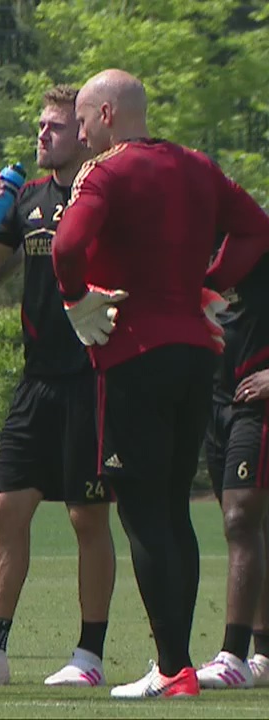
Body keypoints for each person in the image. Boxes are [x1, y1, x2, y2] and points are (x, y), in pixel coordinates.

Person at [50, 68, 269, 699]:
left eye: (84, 120)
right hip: (197, 354)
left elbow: (67, 246)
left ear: (109, 114)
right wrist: (210, 283)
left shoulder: (107, 172)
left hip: (133, 356)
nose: (82, 134)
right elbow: (257, 228)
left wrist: (74, 299)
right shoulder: (199, 165)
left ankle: (172, 668)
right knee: (174, 509)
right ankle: (178, 664)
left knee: (143, 512)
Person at [0, 84, 117, 687]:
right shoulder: (25, 197)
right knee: (5, 509)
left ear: (82, 134)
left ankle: (89, 655)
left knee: (87, 517)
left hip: (90, 378)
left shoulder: (106, 193)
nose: (42, 134)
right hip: (36, 383)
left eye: (55, 126)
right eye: (40, 125)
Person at [200, 248, 269, 690]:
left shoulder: (258, 241)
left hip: (258, 403)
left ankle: (233, 654)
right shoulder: (184, 242)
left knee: (240, 519)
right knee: (255, 525)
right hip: (216, 401)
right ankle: (263, 653)